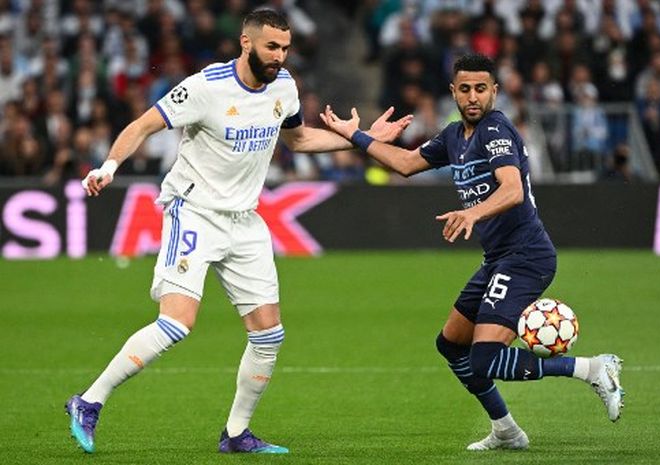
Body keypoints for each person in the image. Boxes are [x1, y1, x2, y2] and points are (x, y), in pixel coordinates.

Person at [66, 9, 410, 455]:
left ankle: (235, 435)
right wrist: (109, 166)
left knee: (269, 335)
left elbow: (300, 140)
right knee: (176, 323)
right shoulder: (206, 87)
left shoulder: (284, 87)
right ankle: (89, 401)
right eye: (272, 47)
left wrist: (361, 138)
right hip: (193, 212)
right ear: (246, 42)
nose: (280, 57)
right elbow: (143, 125)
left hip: (245, 221)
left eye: (285, 48)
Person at [320, 53, 625, 451]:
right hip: (498, 258)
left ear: (495, 91)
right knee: (451, 344)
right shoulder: (453, 135)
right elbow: (407, 163)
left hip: (526, 256)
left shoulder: (495, 129)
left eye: (481, 88)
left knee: (483, 359)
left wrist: (471, 212)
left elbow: (513, 189)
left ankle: (592, 369)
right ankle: (506, 431)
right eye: (465, 89)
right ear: (453, 92)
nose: (473, 96)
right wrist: (355, 136)